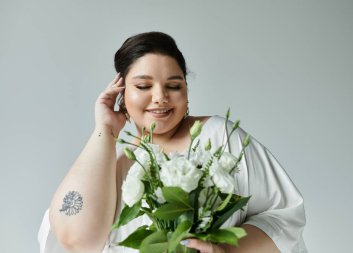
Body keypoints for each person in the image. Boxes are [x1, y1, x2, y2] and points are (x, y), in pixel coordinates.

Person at [38, 31, 307, 253]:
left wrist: (224, 250)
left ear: (186, 92)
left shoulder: (218, 138)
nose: (160, 97)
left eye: (174, 85)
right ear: (121, 95)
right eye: (143, 86)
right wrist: (105, 130)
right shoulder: (113, 162)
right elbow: (75, 239)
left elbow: (284, 215)